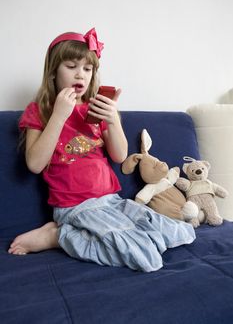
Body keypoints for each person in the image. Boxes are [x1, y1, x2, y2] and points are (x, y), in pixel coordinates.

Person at [8, 28, 196, 272]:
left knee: (180, 232)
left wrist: (113, 119)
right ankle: (57, 237)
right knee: (146, 258)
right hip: (75, 207)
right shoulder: (40, 111)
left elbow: (119, 155)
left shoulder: (96, 108)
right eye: (71, 66)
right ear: (54, 71)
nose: (81, 74)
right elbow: (34, 164)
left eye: (87, 69)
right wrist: (58, 116)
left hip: (111, 201)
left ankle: (79, 235)